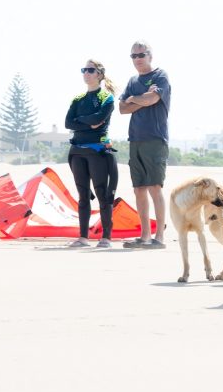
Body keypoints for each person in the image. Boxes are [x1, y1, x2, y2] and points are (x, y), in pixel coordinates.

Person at [119, 40, 171, 249]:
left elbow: (152, 99)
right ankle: (145, 236)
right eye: (134, 56)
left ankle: (159, 238)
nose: (138, 59)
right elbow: (122, 108)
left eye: (141, 55)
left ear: (150, 55)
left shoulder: (160, 76)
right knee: (139, 189)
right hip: (135, 139)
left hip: (155, 139)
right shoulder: (133, 80)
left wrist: (136, 100)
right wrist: (138, 100)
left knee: (154, 187)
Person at [64, 59, 119, 248]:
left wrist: (82, 121)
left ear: (99, 74)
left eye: (90, 70)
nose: (86, 73)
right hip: (78, 150)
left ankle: (106, 237)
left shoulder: (106, 97)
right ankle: (83, 237)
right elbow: (68, 123)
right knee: (83, 195)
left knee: (102, 193)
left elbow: (100, 118)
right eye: (84, 70)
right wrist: (88, 122)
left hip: (97, 150)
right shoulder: (78, 99)